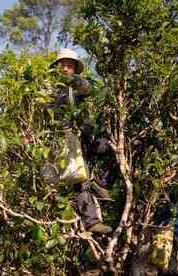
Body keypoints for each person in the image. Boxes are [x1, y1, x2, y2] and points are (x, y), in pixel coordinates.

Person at [46, 48, 113, 234]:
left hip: (86, 134)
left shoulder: (78, 86)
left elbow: (89, 89)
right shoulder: (51, 90)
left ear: (75, 68)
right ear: (57, 68)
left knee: (111, 149)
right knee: (79, 180)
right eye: (63, 65)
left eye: (70, 65)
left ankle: (102, 182)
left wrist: (74, 81)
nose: (66, 68)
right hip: (68, 139)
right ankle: (92, 222)